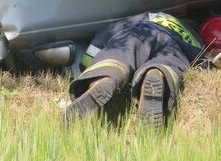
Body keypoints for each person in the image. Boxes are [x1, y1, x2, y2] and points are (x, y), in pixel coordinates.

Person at [66, 12, 206, 127]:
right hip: (176, 48)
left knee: (118, 57)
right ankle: (157, 73)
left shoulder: (153, 15)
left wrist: (87, 65)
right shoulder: (195, 38)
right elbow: (201, 63)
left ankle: (104, 78)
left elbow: (106, 34)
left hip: (142, 32)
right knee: (171, 65)